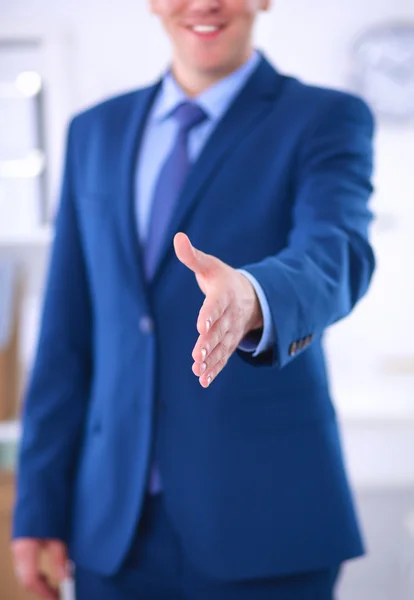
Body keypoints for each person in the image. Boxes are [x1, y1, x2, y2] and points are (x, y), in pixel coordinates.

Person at [11, 1, 376, 598]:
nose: (204, 3)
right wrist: (39, 509)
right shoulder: (92, 131)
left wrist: (254, 296)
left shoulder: (326, 118)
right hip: (112, 532)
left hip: (267, 522)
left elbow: (336, 252)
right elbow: (66, 335)